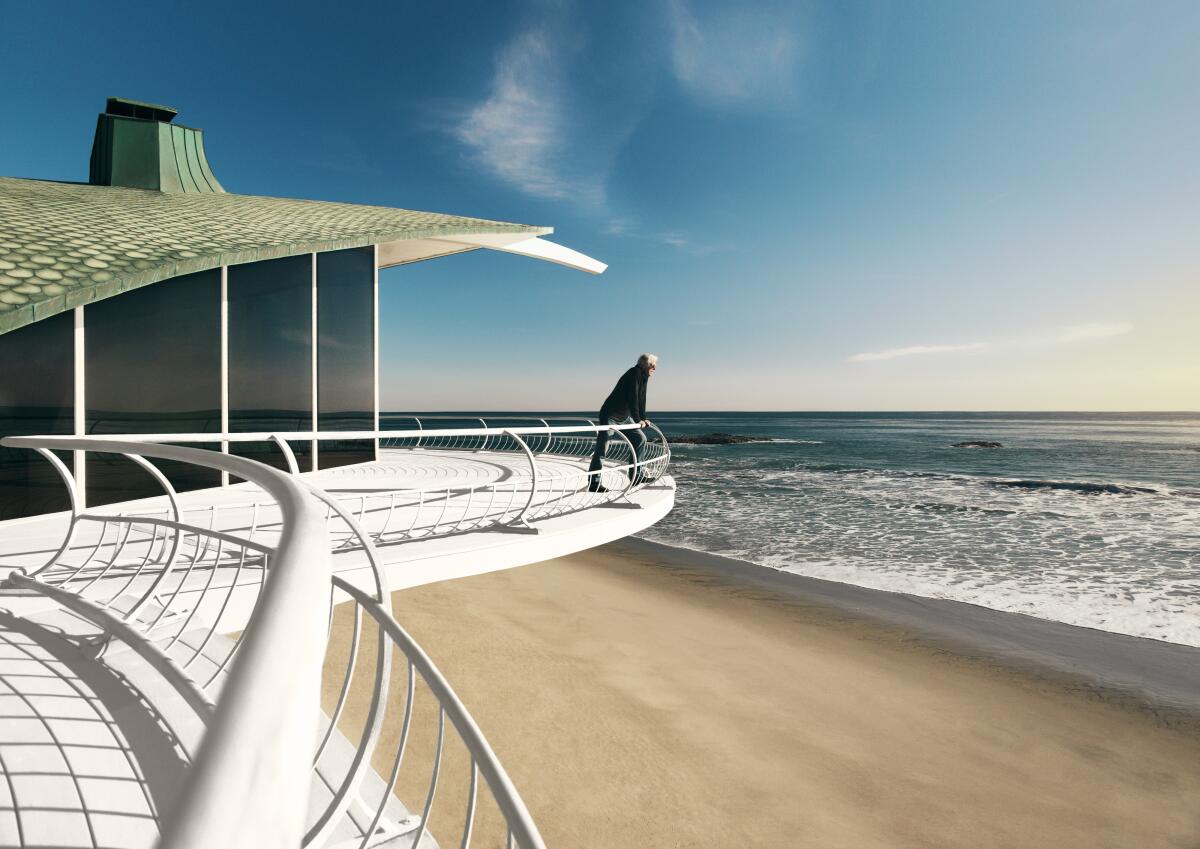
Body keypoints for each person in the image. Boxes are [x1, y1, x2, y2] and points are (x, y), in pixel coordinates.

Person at [588, 353, 657, 492]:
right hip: (610, 415)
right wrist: (638, 420)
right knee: (603, 448)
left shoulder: (644, 377)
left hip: (624, 417)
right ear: (644, 364)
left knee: (639, 438)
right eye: (652, 365)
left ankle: (637, 476)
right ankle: (594, 483)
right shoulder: (634, 373)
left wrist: (643, 418)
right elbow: (633, 398)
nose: (654, 368)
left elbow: (641, 398)